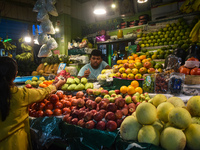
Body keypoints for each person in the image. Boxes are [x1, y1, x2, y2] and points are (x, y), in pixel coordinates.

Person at [0, 57, 66, 150]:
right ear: (15, 75)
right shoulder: (21, 94)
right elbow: (43, 92)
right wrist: (57, 85)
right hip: (16, 144)